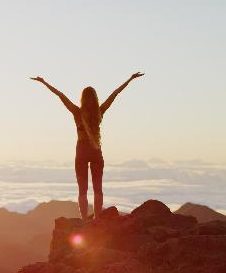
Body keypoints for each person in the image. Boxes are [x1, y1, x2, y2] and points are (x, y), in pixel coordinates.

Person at [30, 72, 144, 220]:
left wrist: (44, 82)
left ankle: (84, 221)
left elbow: (61, 95)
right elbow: (114, 94)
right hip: (96, 152)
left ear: (82, 98)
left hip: (81, 152)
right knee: (98, 190)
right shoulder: (99, 112)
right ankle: (97, 219)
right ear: (95, 98)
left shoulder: (77, 112)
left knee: (82, 190)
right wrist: (130, 79)